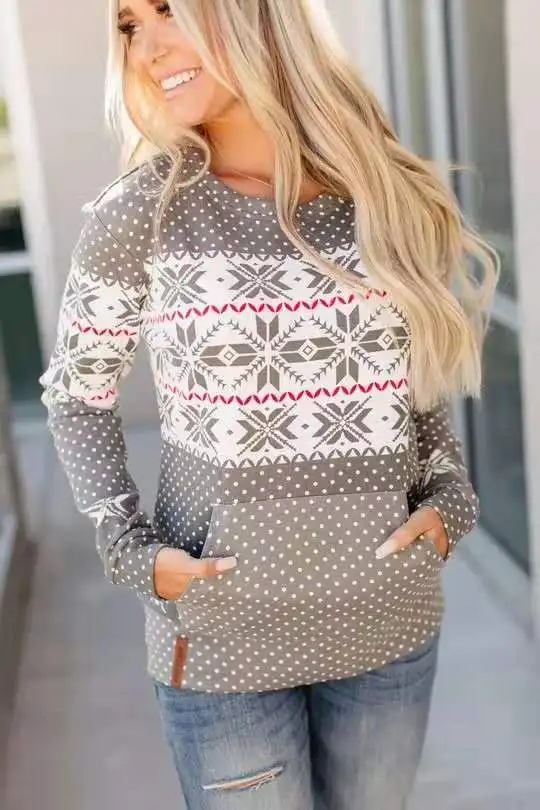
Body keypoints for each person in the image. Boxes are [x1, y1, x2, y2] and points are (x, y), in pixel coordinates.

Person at [40, 1, 497, 807]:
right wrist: (129, 547)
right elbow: (77, 393)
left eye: (168, 10)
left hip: (386, 619)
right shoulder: (141, 212)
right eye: (129, 25)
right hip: (223, 641)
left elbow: (414, 375)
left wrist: (449, 494)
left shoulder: (381, 192)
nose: (147, 46)